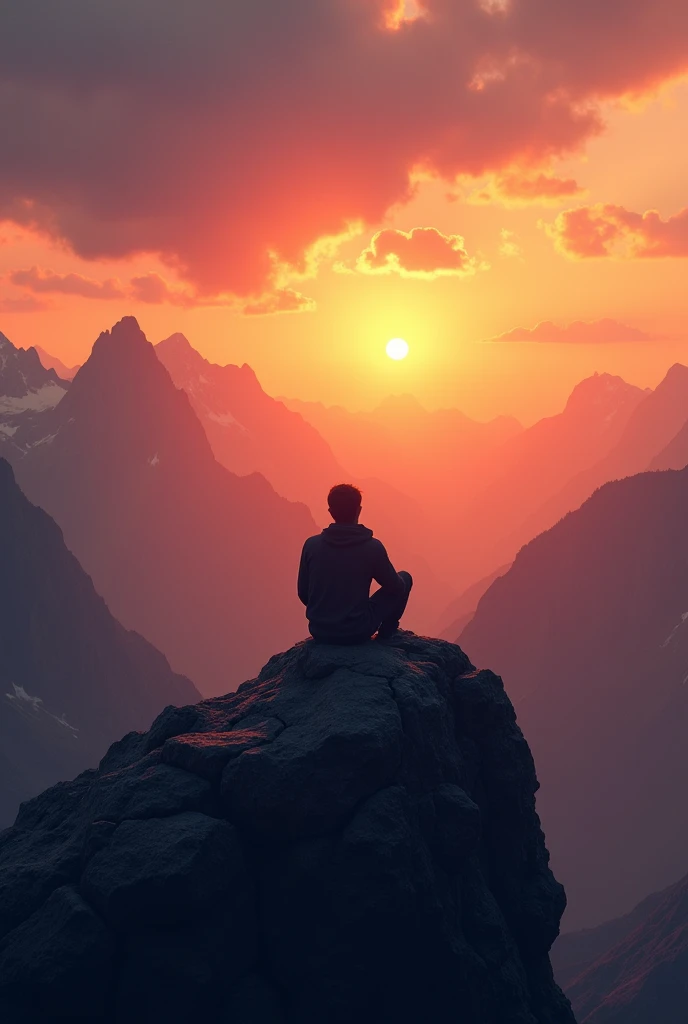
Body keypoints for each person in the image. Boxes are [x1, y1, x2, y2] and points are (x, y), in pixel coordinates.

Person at [298, 483, 413, 644]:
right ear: (359, 510)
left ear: (331, 512)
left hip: (320, 631)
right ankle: (387, 632)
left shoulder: (311, 545)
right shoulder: (372, 547)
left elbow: (304, 593)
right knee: (404, 578)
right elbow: (395, 587)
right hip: (357, 631)